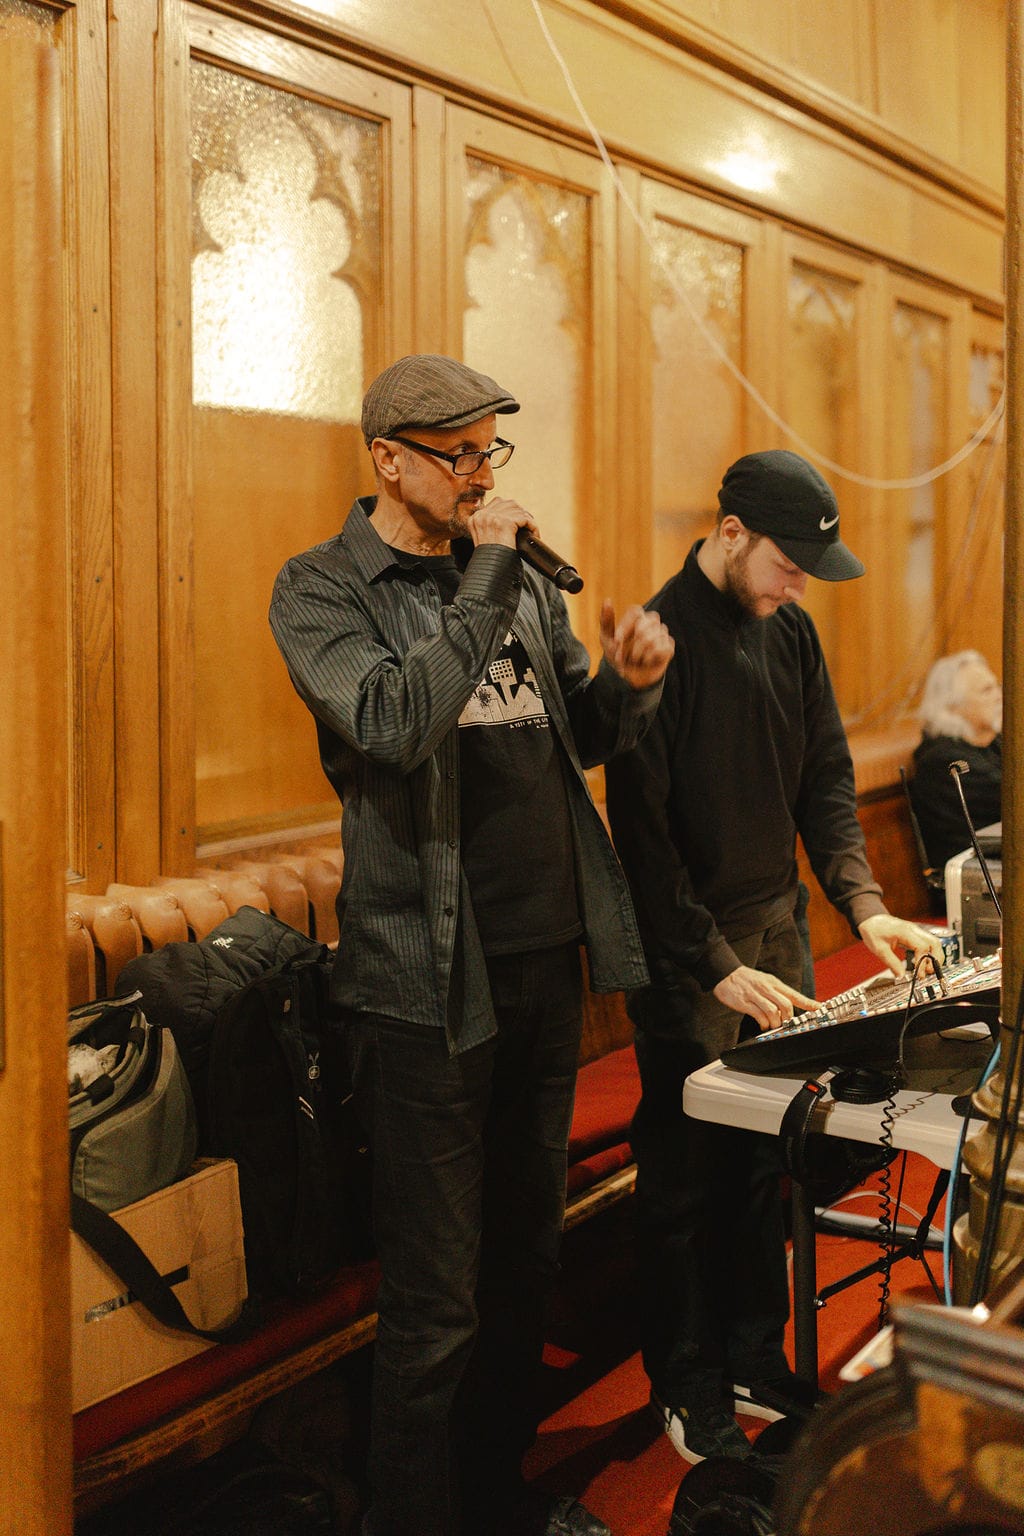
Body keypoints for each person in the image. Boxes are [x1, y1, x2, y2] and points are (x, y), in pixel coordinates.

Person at [269, 353, 674, 1536]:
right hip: (427, 986)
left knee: (522, 1271)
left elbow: (576, 735)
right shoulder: (322, 588)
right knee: (436, 1304)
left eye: (489, 450)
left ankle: (498, 1499)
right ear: (387, 460)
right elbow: (392, 722)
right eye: (458, 455)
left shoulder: (516, 586)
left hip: (547, 967)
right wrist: (491, 575)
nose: (482, 475)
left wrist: (631, 689)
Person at [604, 448, 942, 1467]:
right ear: (731, 534)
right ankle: (687, 1381)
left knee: (766, 1159)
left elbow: (825, 777)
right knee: (685, 1175)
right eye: (788, 564)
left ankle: (754, 1355)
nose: (798, 585)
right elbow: (643, 839)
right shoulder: (662, 640)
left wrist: (864, 905)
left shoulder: (789, 629)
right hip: (689, 949)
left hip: (775, 927)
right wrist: (712, 963)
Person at [909, 650, 1002, 876]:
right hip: (971, 880)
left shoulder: (992, 743)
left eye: (997, 686)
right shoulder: (941, 761)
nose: (999, 696)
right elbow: (1010, 796)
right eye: (986, 690)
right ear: (953, 706)